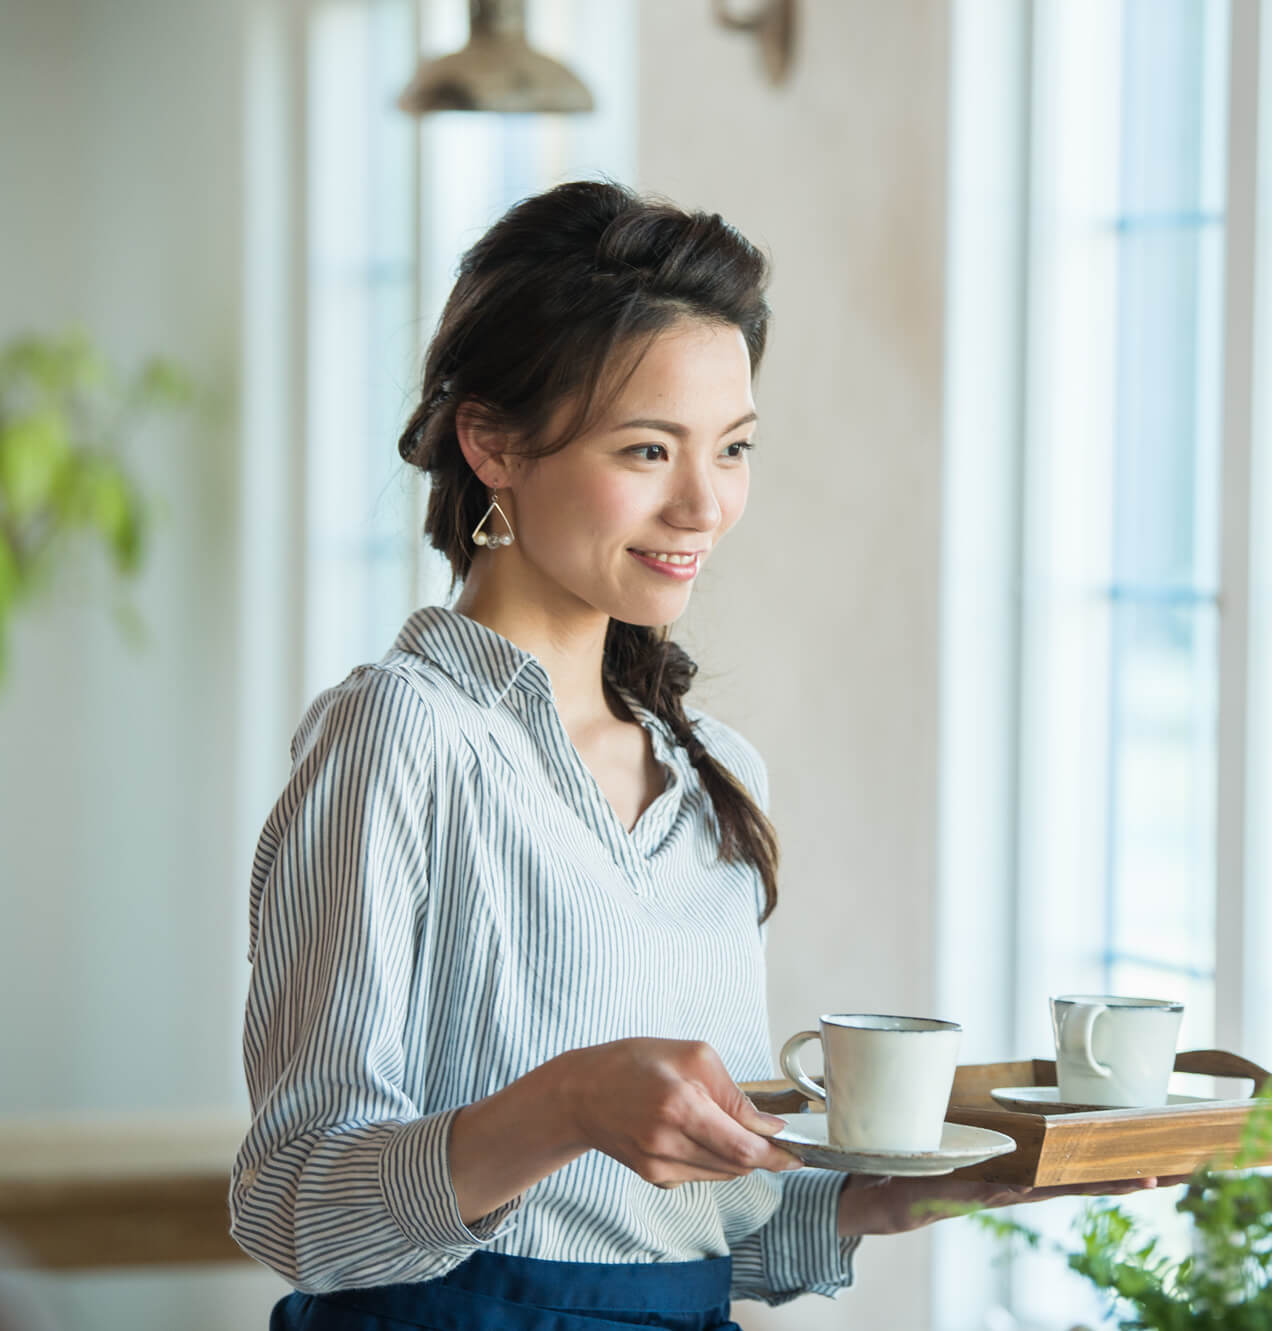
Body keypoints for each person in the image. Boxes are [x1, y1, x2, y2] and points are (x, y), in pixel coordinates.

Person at [230, 180, 1156, 1331]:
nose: (704, 503)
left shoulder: (716, 773)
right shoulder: (400, 737)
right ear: (492, 442)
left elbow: (708, 1232)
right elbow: (292, 1201)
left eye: (733, 447)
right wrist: (568, 1101)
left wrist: (925, 1185)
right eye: (647, 448)